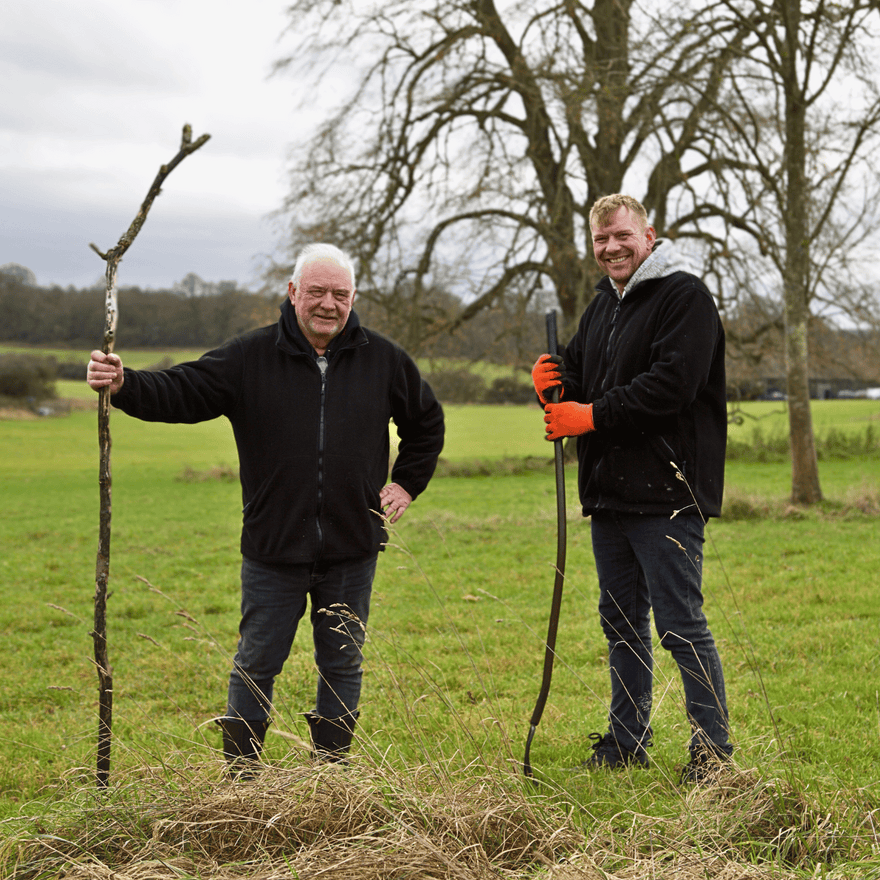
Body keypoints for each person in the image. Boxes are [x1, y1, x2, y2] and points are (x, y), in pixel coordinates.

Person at [87, 243, 445, 774]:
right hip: (273, 547)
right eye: (317, 292)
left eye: (340, 294)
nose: (329, 304)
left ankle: (330, 776)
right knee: (256, 664)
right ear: (293, 293)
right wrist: (125, 384)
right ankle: (243, 781)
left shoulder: (383, 358)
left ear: (353, 299)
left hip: (352, 546)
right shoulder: (250, 356)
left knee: (342, 663)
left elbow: (426, 422)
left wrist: (407, 484)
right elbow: (185, 390)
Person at [531, 194, 731, 783]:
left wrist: (587, 417)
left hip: (668, 492)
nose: (612, 248)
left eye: (621, 236)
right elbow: (577, 381)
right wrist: (550, 382)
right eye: (600, 241)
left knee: (679, 623)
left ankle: (713, 754)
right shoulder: (601, 307)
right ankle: (627, 739)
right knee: (620, 623)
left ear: (648, 234)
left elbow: (671, 385)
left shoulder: (685, 298)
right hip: (610, 494)